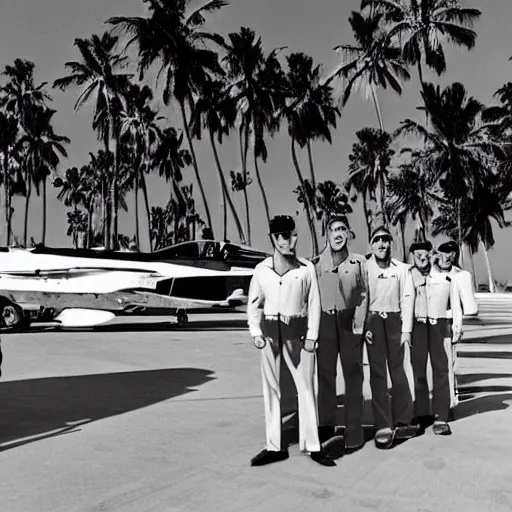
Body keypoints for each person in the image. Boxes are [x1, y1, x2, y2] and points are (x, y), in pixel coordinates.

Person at [247, 214, 335, 467]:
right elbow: (254, 302)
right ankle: (274, 447)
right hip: (271, 333)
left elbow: (315, 303)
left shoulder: (306, 269)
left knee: (306, 389)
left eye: (293, 234)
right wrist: (255, 332)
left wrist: (312, 336)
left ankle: (312, 445)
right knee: (272, 391)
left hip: (298, 332)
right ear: (274, 238)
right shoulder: (261, 270)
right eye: (285, 236)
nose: (291, 240)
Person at [313, 214, 368, 453]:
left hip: (349, 321)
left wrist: (358, 324)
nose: (338, 234)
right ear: (327, 233)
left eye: (342, 229)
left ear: (348, 233)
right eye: (334, 229)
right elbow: (310, 298)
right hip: (325, 321)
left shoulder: (358, 263)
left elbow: (364, 294)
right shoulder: (315, 264)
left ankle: (353, 430)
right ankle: (326, 428)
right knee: (325, 376)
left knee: (353, 376)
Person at [364, 226, 417, 448]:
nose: (382, 244)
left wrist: (406, 329)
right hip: (373, 321)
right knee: (377, 373)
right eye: (377, 240)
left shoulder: (402, 269)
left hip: (395, 320)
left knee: (399, 371)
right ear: (371, 244)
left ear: (390, 244)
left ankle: (403, 420)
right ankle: (383, 424)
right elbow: (360, 298)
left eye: (386, 240)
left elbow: (407, 298)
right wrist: (363, 325)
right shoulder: (365, 268)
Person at [403, 241, 463, 435]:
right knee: (418, 369)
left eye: (425, 255)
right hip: (417, 324)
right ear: (412, 256)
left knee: (441, 368)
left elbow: (455, 301)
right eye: (417, 255)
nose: (422, 258)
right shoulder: (407, 275)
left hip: (438, 324)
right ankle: (422, 413)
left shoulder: (445, 276)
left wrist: (456, 327)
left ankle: (441, 415)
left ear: (432, 254)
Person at [434, 241, 478, 409]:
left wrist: (458, 328)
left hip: (449, 322)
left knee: (449, 364)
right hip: (430, 323)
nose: (448, 256)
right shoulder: (428, 273)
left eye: (451, 252)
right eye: (444, 252)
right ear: (438, 253)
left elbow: (460, 306)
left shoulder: (460, 275)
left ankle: (450, 400)